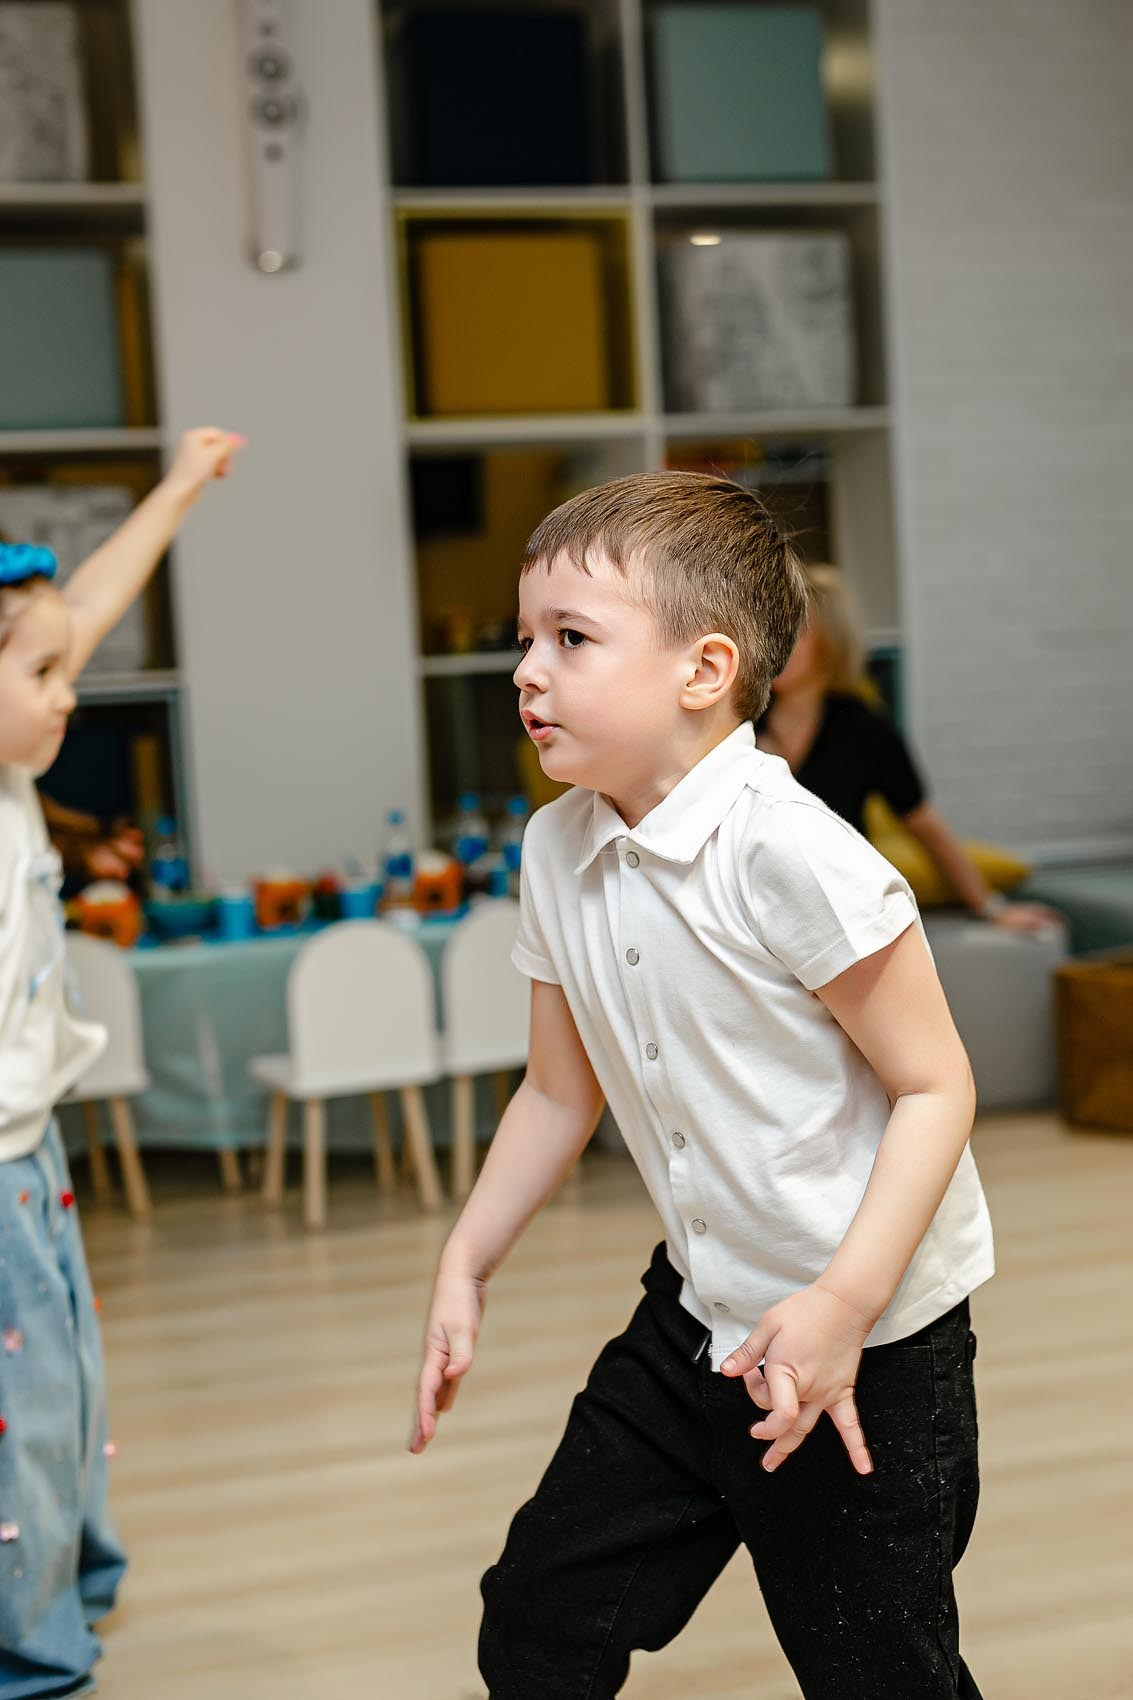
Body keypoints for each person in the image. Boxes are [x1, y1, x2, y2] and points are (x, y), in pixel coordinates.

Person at [411, 471, 993, 1699]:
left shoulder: (791, 850)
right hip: (696, 1318)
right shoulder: (554, 845)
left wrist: (839, 1305)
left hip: (866, 1343)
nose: (525, 670)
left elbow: (935, 1085)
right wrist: (466, 1258)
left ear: (704, 668)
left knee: (879, 1674)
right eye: (524, 637)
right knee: (538, 1618)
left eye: (569, 638)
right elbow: (556, 1093)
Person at [0, 427, 241, 1699]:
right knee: (23, 1403)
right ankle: (26, 1648)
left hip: (31, 1145)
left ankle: (72, 1577)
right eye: (41, 673)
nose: (69, 690)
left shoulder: (14, 784)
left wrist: (180, 486)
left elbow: (85, 599)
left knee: (69, 1377)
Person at [758, 562, 1058, 932]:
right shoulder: (740, 718)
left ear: (830, 642)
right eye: (771, 629)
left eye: (796, 633)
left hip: (835, 911)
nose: (775, 644)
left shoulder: (864, 730)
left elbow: (926, 827)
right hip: (754, 906)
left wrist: (991, 907)